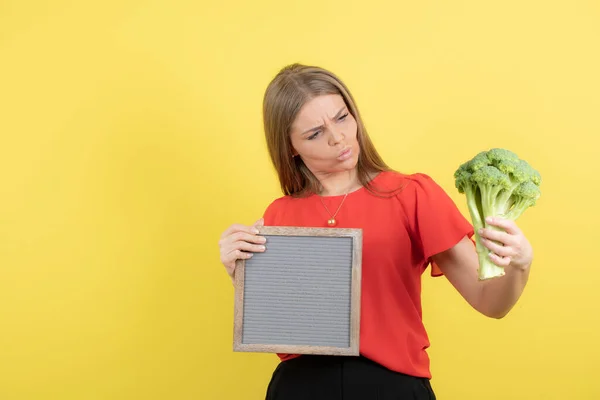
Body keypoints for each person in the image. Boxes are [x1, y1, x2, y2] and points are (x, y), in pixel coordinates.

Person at [218, 63, 534, 400]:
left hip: (391, 387)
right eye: (314, 133)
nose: (337, 137)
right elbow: (284, 326)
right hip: (300, 387)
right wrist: (240, 273)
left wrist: (520, 264)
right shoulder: (278, 215)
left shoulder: (412, 194)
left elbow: (490, 303)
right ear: (290, 146)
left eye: (341, 117)